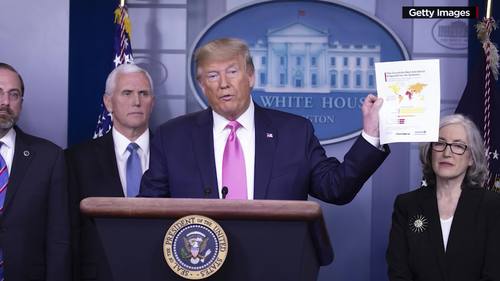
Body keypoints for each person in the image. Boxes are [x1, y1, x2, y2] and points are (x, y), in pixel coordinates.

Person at [139, 37, 388, 204]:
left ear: (250, 77)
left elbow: (336, 188)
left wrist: (370, 134)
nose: (224, 83)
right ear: (203, 86)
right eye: (213, 75)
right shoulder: (172, 137)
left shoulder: (294, 132)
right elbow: (148, 210)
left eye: (232, 72)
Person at [65, 63, 155, 281]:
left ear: (152, 102)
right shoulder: (76, 159)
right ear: (108, 102)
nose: (136, 101)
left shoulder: (173, 154)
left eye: (143, 93)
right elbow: (69, 232)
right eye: (127, 93)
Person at [386, 114, 500, 281]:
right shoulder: (407, 205)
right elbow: (399, 273)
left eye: (458, 146)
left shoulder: (492, 205)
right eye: (440, 143)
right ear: (430, 151)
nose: (447, 153)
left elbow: (494, 274)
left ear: (471, 158)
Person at [0, 63, 70, 280]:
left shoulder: (49, 157)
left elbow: (59, 238)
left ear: (21, 102)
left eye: (14, 95)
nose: (5, 102)